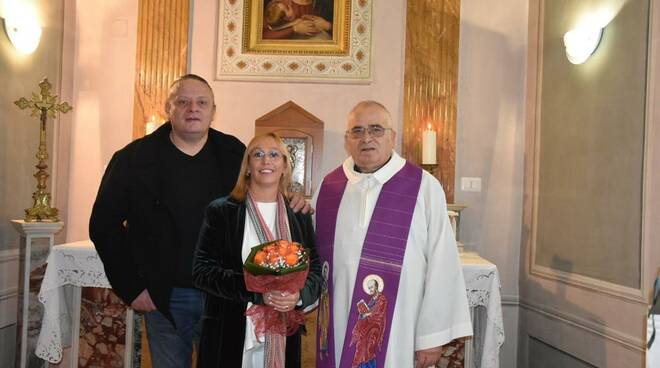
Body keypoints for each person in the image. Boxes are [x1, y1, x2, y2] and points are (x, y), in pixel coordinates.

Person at [88, 74, 308, 368]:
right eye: (183, 101)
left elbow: (265, 196)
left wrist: (293, 200)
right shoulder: (133, 159)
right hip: (165, 296)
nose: (193, 108)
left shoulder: (233, 154)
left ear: (213, 111)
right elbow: (103, 225)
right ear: (169, 108)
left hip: (225, 296)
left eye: (202, 102)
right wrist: (131, 287)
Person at [313, 100, 473, 368]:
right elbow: (313, 255)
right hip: (338, 326)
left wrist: (431, 336)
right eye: (358, 131)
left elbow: (442, 264)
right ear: (347, 140)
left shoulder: (423, 186)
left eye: (376, 129)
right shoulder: (330, 186)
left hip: (400, 327)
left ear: (392, 137)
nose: (366, 138)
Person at [192, 133, 321, 367]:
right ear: (248, 166)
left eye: (274, 154)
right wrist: (257, 293)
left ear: (284, 166)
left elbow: (315, 274)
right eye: (258, 154)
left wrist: (298, 297)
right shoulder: (222, 211)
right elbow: (202, 272)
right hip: (230, 328)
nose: (266, 160)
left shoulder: (299, 215)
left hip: (283, 329)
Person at [262, 0, 332, 40]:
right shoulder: (278, 4)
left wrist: (328, 25)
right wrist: (294, 29)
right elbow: (264, 35)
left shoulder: (323, 3)